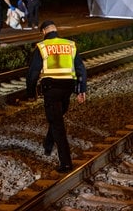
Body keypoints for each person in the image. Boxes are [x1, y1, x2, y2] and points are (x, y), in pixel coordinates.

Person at [26, 20, 87, 173]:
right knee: (56, 118)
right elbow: (81, 69)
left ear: (44, 32)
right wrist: (82, 90)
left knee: (57, 124)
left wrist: (30, 93)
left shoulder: (42, 46)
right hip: (68, 88)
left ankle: (66, 163)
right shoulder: (70, 44)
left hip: (51, 89)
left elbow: (33, 73)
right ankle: (47, 144)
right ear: (55, 30)